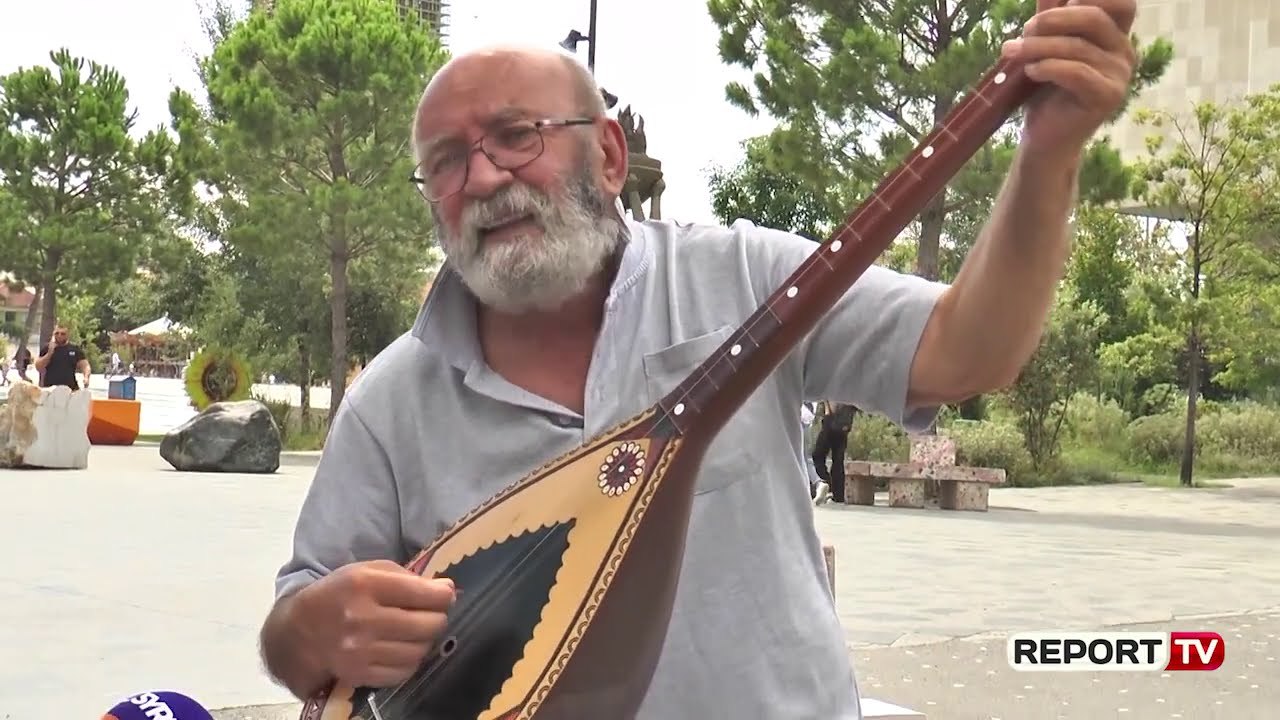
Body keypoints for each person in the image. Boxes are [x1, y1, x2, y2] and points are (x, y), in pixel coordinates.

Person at [258, 4, 1139, 717]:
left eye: (515, 134)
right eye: (446, 162)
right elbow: (296, 629)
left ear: (607, 155)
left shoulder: (741, 275)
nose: (482, 178)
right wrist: (313, 630)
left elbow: (966, 353)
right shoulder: (393, 398)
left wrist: (1048, 151)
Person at [813, 401, 858, 504]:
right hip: (844, 425)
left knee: (818, 456)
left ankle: (826, 484)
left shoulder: (834, 388)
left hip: (831, 421)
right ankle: (838, 496)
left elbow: (833, 406)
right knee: (838, 460)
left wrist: (827, 407)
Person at [34, 325, 90, 391]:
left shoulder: (74, 349)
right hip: (50, 388)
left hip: (70, 388)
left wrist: (86, 377)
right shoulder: (47, 348)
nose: (59, 336)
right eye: (57, 333)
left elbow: (85, 365)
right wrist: (49, 353)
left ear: (68, 335)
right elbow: (38, 367)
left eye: (63, 334)